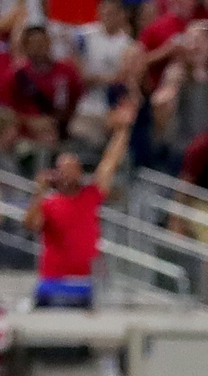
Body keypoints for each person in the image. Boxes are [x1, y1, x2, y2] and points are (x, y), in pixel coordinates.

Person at [24, 99, 136, 308]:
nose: (67, 174)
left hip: (84, 281)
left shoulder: (90, 196)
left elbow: (110, 162)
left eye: (72, 169)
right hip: (53, 280)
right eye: (63, 169)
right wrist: (39, 191)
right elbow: (30, 225)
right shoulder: (48, 203)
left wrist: (122, 130)